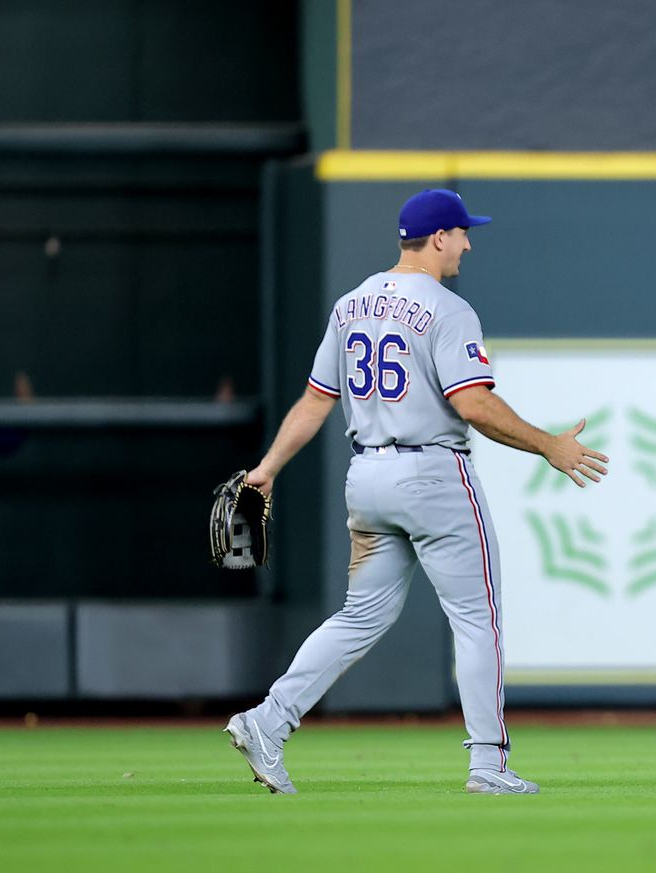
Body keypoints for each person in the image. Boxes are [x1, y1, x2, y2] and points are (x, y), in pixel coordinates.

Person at [224, 189, 608, 795]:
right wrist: (548, 445)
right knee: (479, 620)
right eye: (461, 232)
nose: (467, 242)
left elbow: (317, 400)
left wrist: (267, 466)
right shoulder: (448, 308)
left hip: (368, 479)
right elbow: (472, 402)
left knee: (359, 616)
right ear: (436, 238)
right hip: (433, 476)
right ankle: (489, 765)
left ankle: (267, 720)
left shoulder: (350, 304)